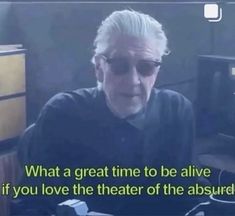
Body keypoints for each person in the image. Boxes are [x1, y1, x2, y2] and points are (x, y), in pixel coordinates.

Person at [12, 9, 197, 215]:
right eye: (119, 65)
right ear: (99, 68)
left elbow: (185, 195)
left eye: (146, 67)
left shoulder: (177, 111)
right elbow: (32, 206)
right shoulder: (63, 114)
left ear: (157, 71)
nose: (133, 81)